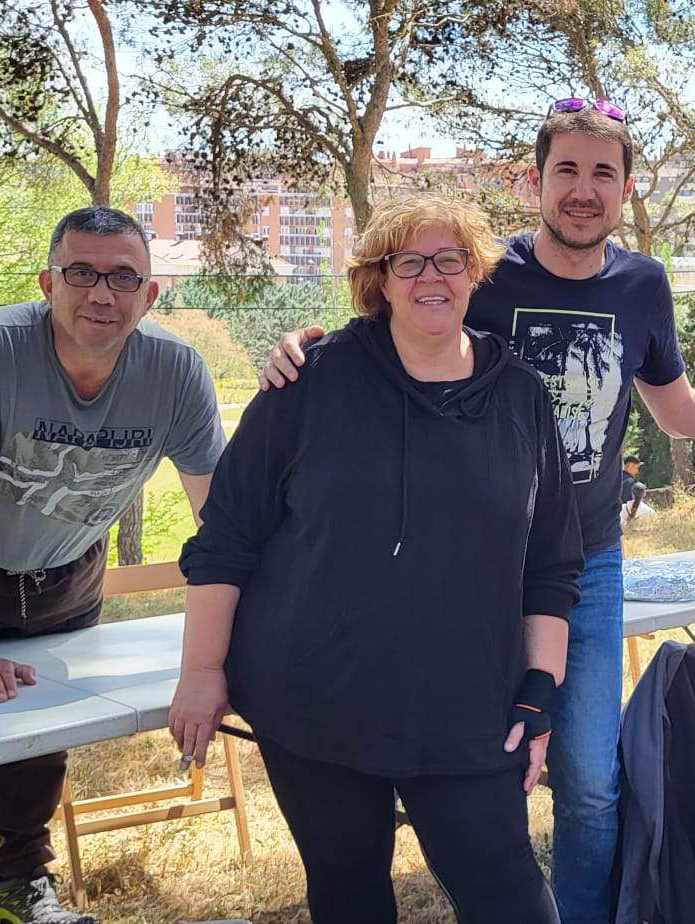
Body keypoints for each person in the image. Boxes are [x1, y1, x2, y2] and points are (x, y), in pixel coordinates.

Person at [255, 98, 695, 922]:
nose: (584, 189)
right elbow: (391, 334)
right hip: (468, 566)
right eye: (566, 170)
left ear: (627, 189)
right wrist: (300, 347)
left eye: (603, 173)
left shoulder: (642, 285)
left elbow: (681, 412)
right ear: (534, 182)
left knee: (591, 784)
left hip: (587, 566)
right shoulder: (485, 273)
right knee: (468, 761)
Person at [168, 195, 583, 923]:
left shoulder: (520, 396)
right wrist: (202, 671)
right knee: (349, 893)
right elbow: (227, 537)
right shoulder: (309, 381)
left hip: (467, 708)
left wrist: (540, 686)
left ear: (474, 273)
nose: (432, 276)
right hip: (316, 699)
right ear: (379, 281)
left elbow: (551, 564)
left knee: (510, 897)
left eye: (450, 259)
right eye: (408, 261)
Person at [0, 207, 225, 924]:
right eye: (81, 272)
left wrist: (245, 640)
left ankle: (17, 886)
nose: (102, 293)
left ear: (151, 294)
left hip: (67, 575)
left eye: (124, 277)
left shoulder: (176, 371)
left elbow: (221, 520)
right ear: (47, 283)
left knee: (37, 740)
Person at [620, 454, 648, 520]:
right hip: (624, 515)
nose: (637, 471)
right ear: (630, 466)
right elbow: (631, 503)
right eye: (636, 468)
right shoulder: (631, 482)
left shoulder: (616, 479)